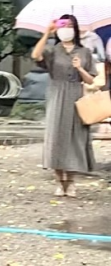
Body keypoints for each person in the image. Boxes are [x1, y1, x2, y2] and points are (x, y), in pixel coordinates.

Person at [30, 14, 96, 197]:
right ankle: (60, 180)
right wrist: (46, 32)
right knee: (56, 137)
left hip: (76, 94)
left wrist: (80, 68)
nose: (65, 28)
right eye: (62, 24)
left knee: (74, 137)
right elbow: (35, 55)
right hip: (57, 94)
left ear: (75, 28)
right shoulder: (53, 50)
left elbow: (91, 80)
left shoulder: (84, 52)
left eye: (69, 25)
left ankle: (71, 181)